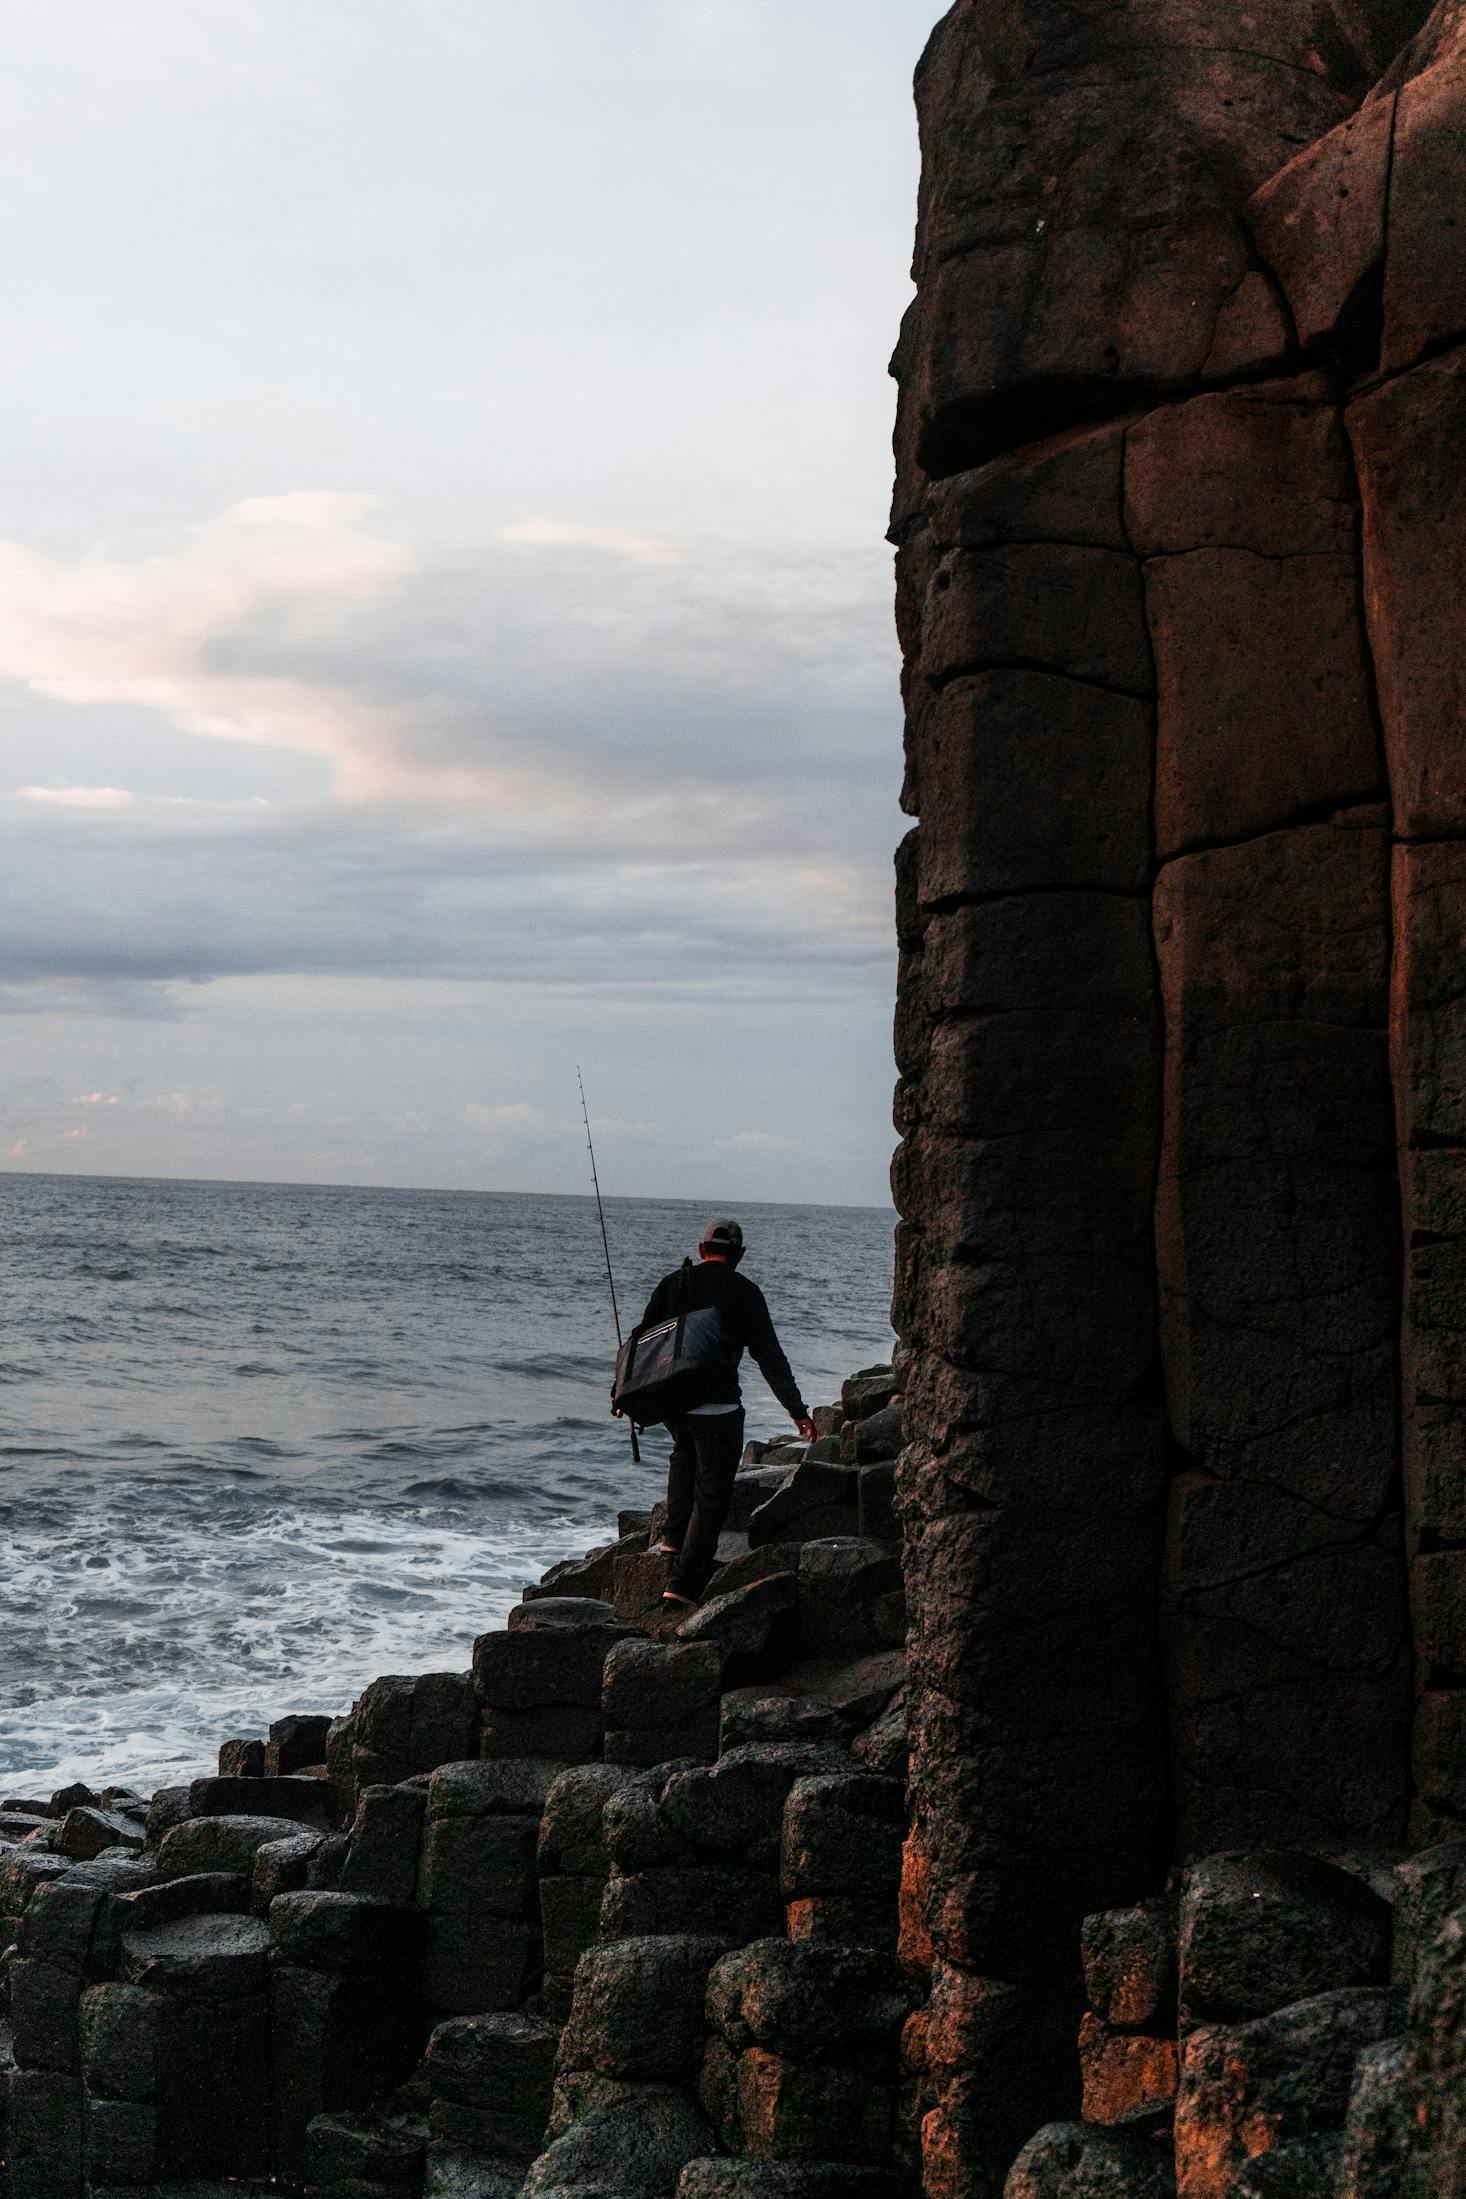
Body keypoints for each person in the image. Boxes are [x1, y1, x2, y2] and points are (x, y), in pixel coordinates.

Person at [637, 1217, 814, 1611]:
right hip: (718, 1407)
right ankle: (682, 1584)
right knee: (712, 1495)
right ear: (740, 1256)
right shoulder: (745, 1292)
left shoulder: (674, 1283)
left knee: (683, 1456)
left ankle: (671, 1538)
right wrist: (797, 1411)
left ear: (702, 1251)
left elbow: (642, 1342)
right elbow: (769, 1356)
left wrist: (628, 1398)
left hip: (673, 1402)